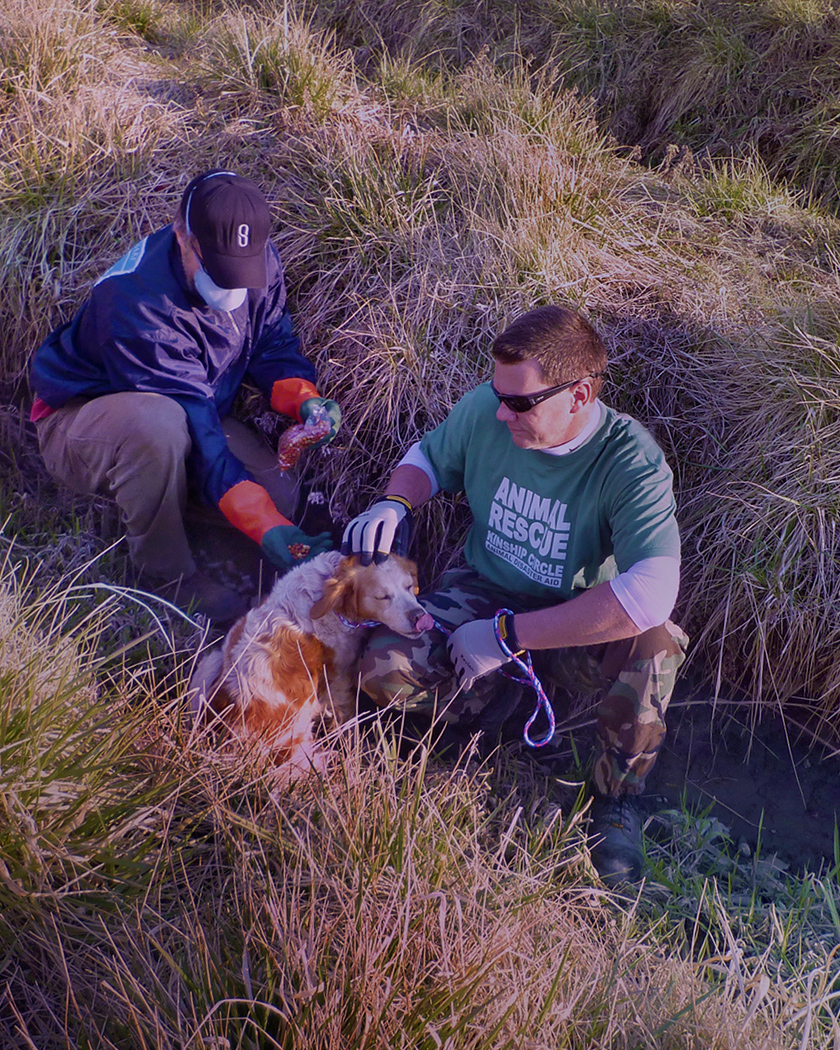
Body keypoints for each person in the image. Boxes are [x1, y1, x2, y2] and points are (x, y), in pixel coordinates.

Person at [341, 304, 688, 884]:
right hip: (485, 592)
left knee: (657, 642)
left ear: (579, 395)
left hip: (576, 623)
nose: (501, 412)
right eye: (498, 394)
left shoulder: (631, 463)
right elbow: (427, 456)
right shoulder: (489, 409)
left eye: (520, 402)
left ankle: (616, 799)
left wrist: (508, 638)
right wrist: (394, 502)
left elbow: (653, 592)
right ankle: (501, 707)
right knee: (383, 669)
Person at [30, 169, 341, 620]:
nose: (232, 288)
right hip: (82, 422)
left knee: (280, 496)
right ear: (182, 235)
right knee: (159, 430)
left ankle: (166, 502)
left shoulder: (257, 259)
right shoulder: (138, 305)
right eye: (217, 271)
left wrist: (305, 400)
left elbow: (272, 344)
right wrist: (264, 526)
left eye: (240, 273)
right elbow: (195, 426)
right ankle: (165, 576)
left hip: (195, 408)